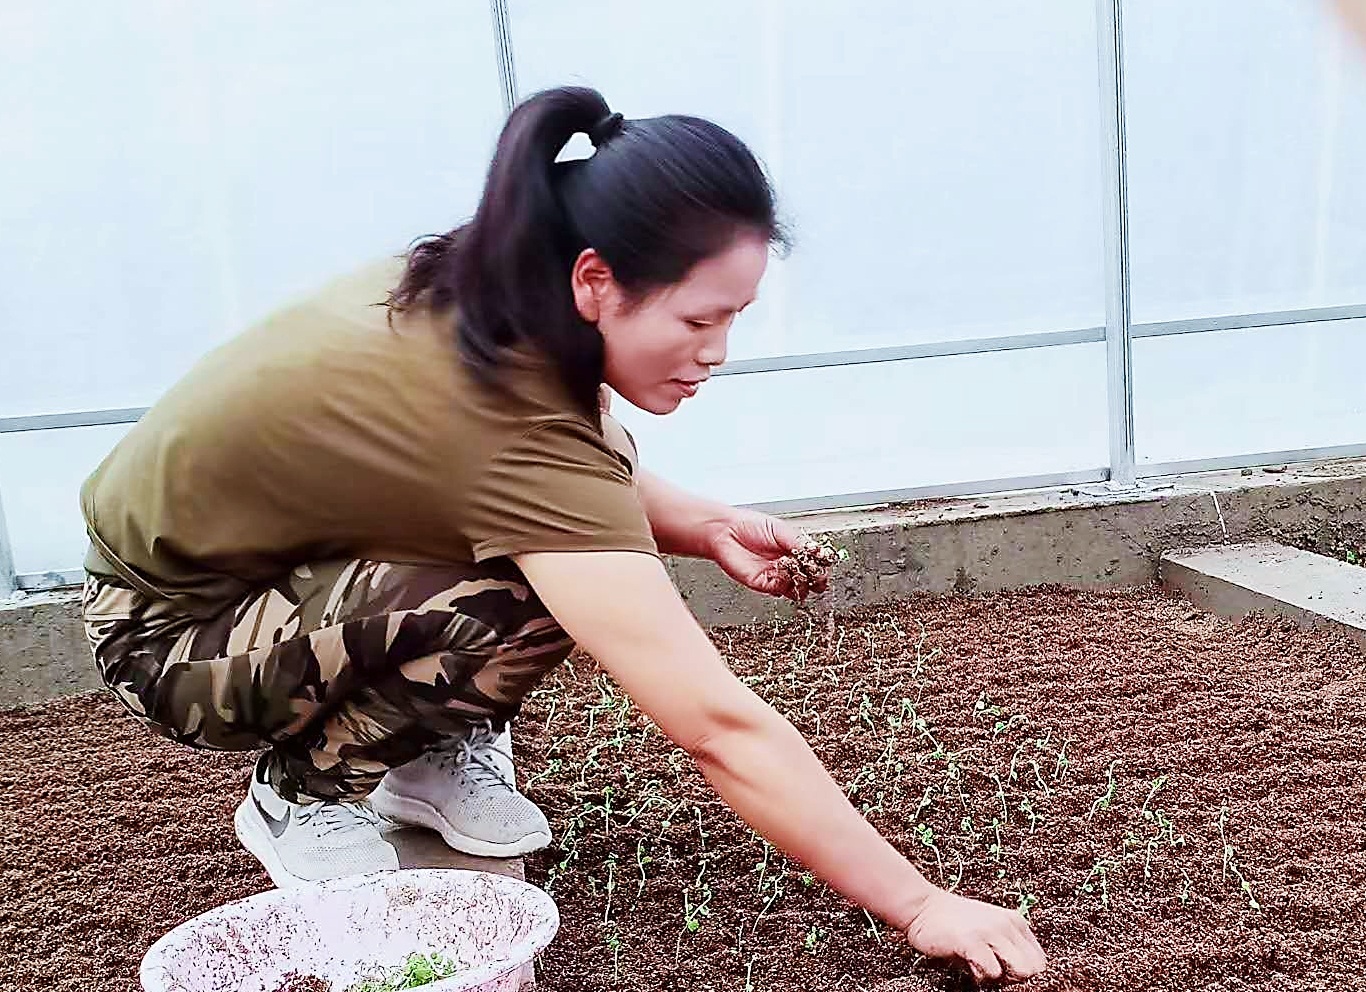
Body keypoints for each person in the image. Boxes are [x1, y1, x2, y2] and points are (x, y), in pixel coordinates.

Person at [78, 85, 1046, 984]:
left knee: (555, 560)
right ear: (596, 279)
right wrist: (921, 903)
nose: (717, 352)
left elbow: (568, 472)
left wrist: (707, 525)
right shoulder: (499, 405)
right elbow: (714, 723)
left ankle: (419, 754)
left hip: (259, 575)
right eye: (698, 318)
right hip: (170, 639)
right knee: (525, 595)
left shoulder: (493, 283)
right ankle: (304, 790)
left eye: (734, 319)